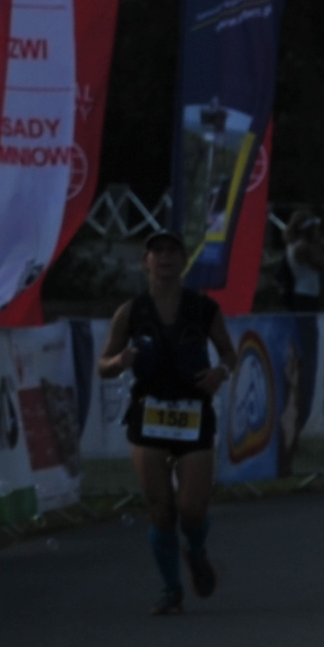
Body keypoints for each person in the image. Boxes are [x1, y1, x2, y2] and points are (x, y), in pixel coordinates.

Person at [98, 232, 228, 613]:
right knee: (161, 509)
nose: (165, 258)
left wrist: (220, 372)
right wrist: (119, 361)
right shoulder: (131, 312)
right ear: (146, 262)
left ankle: (196, 550)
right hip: (149, 414)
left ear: (184, 261)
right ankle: (172, 591)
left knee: (192, 509)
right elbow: (103, 365)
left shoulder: (204, 308)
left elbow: (229, 354)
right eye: (157, 252)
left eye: (172, 252)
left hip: (194, 413)